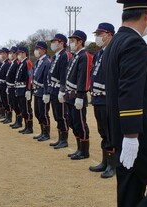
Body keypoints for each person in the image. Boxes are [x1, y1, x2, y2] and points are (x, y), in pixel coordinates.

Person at [103, 1, 147, 206]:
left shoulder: (115, 42)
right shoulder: (134, 43)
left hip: (121, 132)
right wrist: (132, 135)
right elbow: (129, 91)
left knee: (129, 192)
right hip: (142, 135)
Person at [88, 23, 116, 178]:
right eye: (96, 34)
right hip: (97, 98)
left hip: (107, 99)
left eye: (100, 34)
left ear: (109, 34)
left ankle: (112, 165)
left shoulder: (113, 51)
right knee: (102, 131)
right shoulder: (99, 54)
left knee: (110, 132)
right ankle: (105, 161)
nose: (97, 37)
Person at [65, 30, 93, 160]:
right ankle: (78, 148)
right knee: (73, 122)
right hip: (69, 95)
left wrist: (81, 96)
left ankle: (84, 151)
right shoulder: (75, 55)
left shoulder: (84, 56)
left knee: (80, 123)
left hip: (77, 95)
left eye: (73, 40)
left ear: (80, 42)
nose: (70, 43)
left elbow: (84, 77)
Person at [46, 34, 69, 149]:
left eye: (55, 42)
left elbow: (64, 74)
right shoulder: (56, 56)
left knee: (62, 115)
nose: (53, 44)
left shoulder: (64, 55)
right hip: (53, 88)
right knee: (56, 115)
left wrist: (62, 90)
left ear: (61, 43)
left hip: (59, 88)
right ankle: (60, 138)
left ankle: (64, 139)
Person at [32, 41, 51, 141]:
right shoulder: (38, 62)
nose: (36, 51)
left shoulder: (46, 62)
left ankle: (46, 133)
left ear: (43, 50)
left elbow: (46, 79)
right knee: (37, 113)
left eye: (38, 49)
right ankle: (42, 131)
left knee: (44, 113)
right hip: (37, 91)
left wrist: (46, 93)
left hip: (43, 91)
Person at [15, 46, 33, 134]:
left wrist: (28, 89)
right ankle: (26, 126)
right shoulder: (21, 63)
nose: (18, 55)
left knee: (27, 109)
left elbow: (30, 76)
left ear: (24, 53)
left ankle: (29, 127)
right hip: (19, 89)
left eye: (20, 53)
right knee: (22, 108)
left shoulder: (27, 62)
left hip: (24, 89)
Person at [6, 47, 22, 129]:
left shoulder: (17, 63)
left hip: (14, 87)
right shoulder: (12, 63)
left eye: (12, 53)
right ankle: (17, 121)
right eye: (10, 53)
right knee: (12, 104)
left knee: (16, 105)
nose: (10, 54)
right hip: (9, 86)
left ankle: (19, 122)